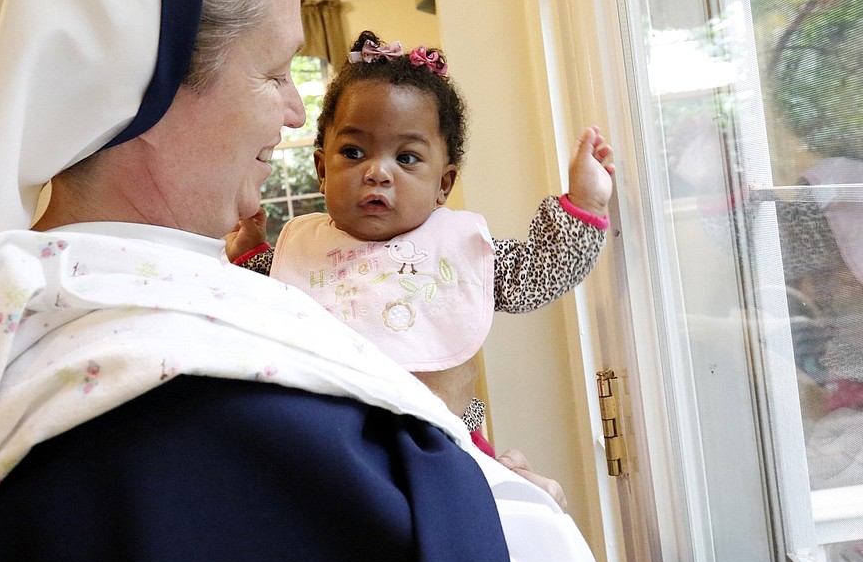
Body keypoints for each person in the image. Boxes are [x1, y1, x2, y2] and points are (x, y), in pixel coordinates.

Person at [0, 0, 603, 562]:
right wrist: (508, 516)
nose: (294, 112)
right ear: (148, 88)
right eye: (276, 71)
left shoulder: (26, 322)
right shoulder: (200, 414)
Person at [228, 31, 615, 462]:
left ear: (443, 185)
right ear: (322, 169)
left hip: (447, 450)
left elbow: (542, 272)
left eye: (407, 158)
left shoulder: (456, 250)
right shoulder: (299, 249)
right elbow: (257, 296)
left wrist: (585, 203)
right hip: (331, 455)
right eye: (353, 152)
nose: (377, 172)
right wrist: (250, 253)